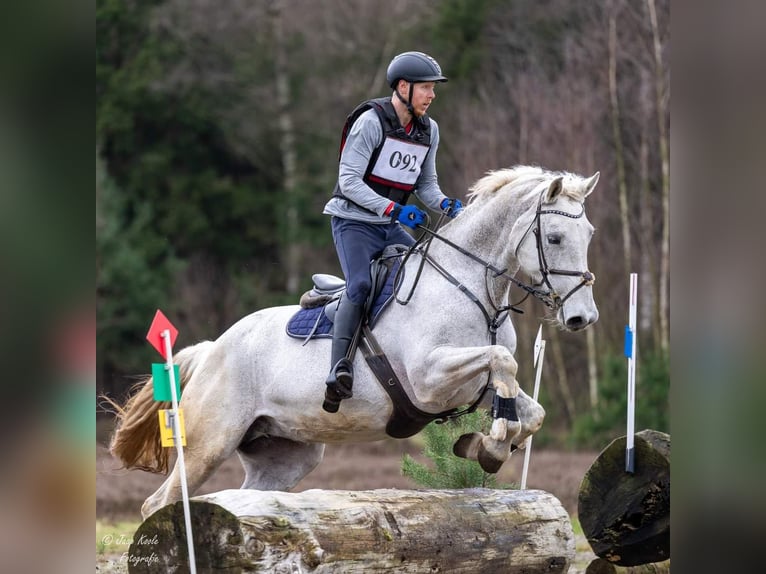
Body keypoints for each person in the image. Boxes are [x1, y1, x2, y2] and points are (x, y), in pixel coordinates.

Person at [321, 51, 464, 413]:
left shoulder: (428, 130)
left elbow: (427, 185)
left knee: (425, 277)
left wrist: (446, 204)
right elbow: (348, 181)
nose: (431, 96)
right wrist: (393, 208)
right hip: (353, 222)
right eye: (426, 89)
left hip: (390, 224)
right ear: (403, 87)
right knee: (361, 286)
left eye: (433, 89)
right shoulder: (371, 122)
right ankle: (339, 369)